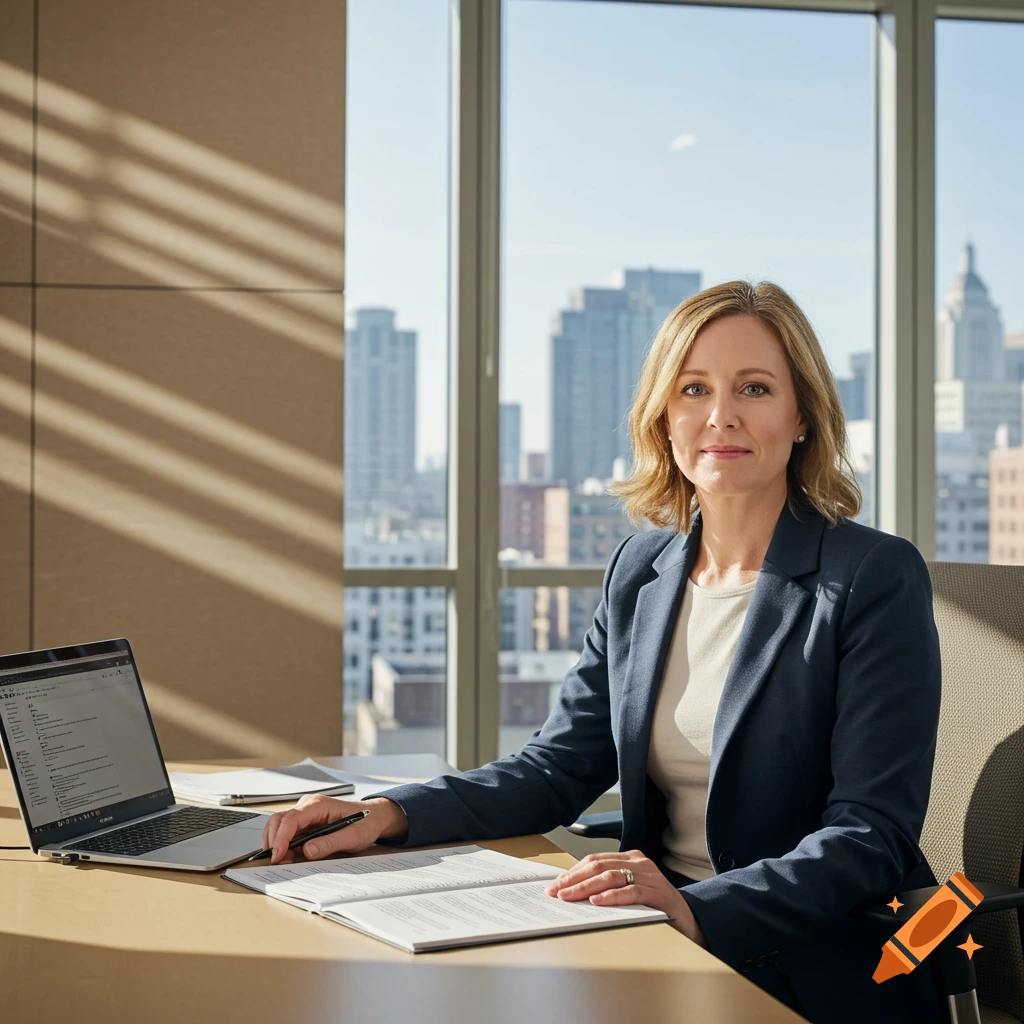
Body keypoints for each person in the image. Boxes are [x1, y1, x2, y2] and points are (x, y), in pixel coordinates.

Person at [264, 281, 945, 1024]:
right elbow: (558, 766)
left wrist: (694, 911)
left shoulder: (871, 576)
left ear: (803, 415)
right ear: (663, 417)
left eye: (754, 387)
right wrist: (388, 812)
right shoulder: (642, 570)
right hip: (650, 935)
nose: (721, 415)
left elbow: (869, 835)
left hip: (809, 953)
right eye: (694, 388)